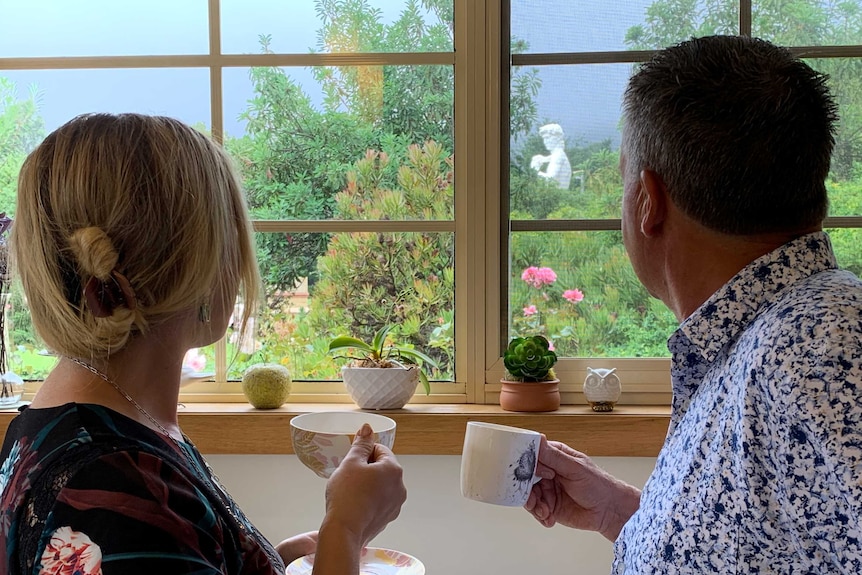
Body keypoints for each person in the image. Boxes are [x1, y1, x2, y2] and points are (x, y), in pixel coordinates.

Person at [0, 113, 407, 575]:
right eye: (228, 234)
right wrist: (345, 530)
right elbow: (143, 539)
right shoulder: (116, 486)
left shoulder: (101, 421)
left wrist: (274, 558)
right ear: (190, 261)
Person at [525, 35, 862, 573]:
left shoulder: (819, 350)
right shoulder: (766, 340)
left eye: (622, 180)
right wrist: (622, 513)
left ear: (647, 201)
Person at [530, 123, 572, 189]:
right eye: (544, 139)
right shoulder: (557, 155)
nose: (545, 142)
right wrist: (542, 159)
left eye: (547, 138)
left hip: (557, 197)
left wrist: (535, 171)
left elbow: (550, 180)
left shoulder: (558, 156)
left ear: (557, 138)